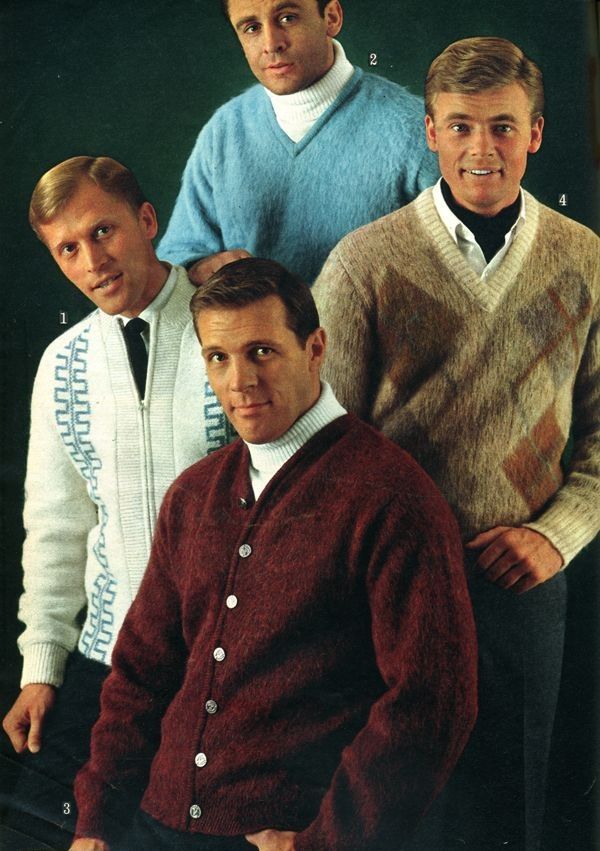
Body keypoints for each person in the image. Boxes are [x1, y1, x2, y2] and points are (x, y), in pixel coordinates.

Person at [69, 257, 477, 851]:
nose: (239, 381)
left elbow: (432, 701)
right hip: (152, 823)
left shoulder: (392, 496)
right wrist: (96, 823)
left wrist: (328, 844)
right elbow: (140, 672)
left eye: (261, 352)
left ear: (315, 349)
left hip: (288, 836)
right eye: (218, 357)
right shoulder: (193, 494)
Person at [313, 36, 600, 851]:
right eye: (462, 126)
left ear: (535, 133)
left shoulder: (586, 258)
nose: (483, 147)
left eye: (504, 126)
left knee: (513, 811)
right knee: (394, 811)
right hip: (392, 584)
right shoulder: (364, 262)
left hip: (524, 578)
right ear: (431, 132)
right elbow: (320, 445)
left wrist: (556, 535)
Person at [1, 156, 234, 847]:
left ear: (147, 220)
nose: (92, 261)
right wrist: (41, 668)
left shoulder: (229, 332)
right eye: (67, 248)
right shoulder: (63, 363)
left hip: (225, 660)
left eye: (103, 231)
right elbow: (55, 526)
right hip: (108, 660)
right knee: (49, 830)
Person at [156, 0, 439, 285]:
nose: (271, 44)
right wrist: (200, 268)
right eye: (252, 28)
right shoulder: (224, 131)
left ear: (331, 18)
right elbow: (176, 257)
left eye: (287, 18)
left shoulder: (415, 131)